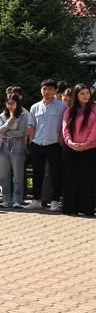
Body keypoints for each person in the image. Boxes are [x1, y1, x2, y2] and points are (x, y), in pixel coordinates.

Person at [26, 79, 68, 211]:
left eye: (50, 89)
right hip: (38, 144)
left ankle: (55, 200)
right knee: (37, 173)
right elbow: (32, 126)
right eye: (44, 89)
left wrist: (60, 142)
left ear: (55, 91)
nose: (47, 91)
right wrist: (32, 141)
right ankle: (36, 200)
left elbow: (64, 127)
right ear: (41, 90)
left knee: (55, 173)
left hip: (54, 144)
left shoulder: (62, 107)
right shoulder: (35, 107)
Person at [61, 84, 96, 216]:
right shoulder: (69, 111)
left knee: (87, 178)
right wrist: (70, 142)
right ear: (76, 95)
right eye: (82, 93)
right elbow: (65, 129)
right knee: (71, 177)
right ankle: (70, 208)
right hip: (71, 148)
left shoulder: (94, 109)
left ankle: (86, 208)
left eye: (87, 93)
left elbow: (95, 129)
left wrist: (87, 143)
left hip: (90, 149)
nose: (86, 95)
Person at [0, 94, 30, 208]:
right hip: (3, 147)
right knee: (4, 175)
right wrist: (10, 119)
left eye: (13, 103)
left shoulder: (23, 116)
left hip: (18, 147)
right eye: (8, 103)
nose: (10, 106)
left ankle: (17, 200)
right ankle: (6, 199)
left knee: (18, 174)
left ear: (17, 103)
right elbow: (0, 129)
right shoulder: (2, 115)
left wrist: (5, 134)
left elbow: (21, 132)